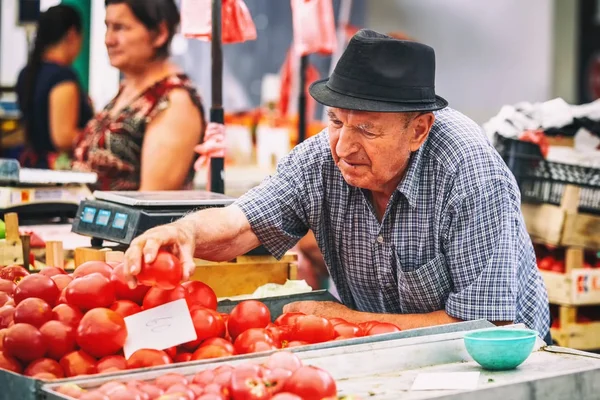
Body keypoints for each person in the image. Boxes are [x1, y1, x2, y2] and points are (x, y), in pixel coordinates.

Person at [122, 30, 551, 342]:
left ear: (418, 131)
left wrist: (346, 318)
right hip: (384, 354)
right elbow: (240, 225)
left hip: (501, 365)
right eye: (335, 121)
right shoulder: (319, 159)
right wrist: (185, 232)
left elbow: (488, 326)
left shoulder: (469, 173)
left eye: (366, 129)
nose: (344, 146)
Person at [72, 0, 221, 190]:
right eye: (107, 27)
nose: (108, 39)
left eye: (121, 28)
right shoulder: (127, 89)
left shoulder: (174, 102)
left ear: (160, 33)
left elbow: (152, 200)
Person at [16, 5, 93, 169]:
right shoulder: (62, 77)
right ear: (72, 34)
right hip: (57, 173)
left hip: (31, 166)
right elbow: (63, 137)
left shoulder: (26, 73)